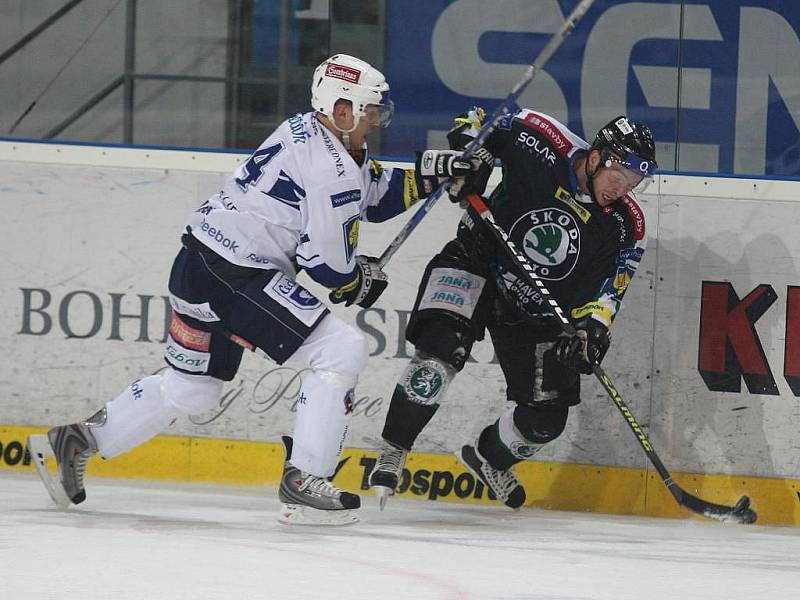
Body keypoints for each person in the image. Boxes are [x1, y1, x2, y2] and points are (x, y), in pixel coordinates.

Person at [27, 54, 473, 526]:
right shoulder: (332, 168)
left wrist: (430, 176)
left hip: (197, 266)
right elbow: (326, 266)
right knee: (341, 350)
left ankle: (79, 439)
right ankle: (306, 480)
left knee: (191, 389)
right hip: (236, 276)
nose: (376, 120)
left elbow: (373, 193)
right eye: (369, 111)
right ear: (342, 111)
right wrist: (357, 279)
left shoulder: (306, 130)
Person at [368, 107, 657, 510]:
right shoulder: (541, 137)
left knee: (545, 421)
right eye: (618, 176)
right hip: (479, 258)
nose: (621, 189)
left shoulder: (628, 225)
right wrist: (475, 151)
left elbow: (612, 289)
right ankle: (394, 449)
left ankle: (488, 458)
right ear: (595, 158)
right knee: (440, 351)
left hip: (540, 308)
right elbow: (477, 121)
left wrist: (593, 329)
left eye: (633, 183)